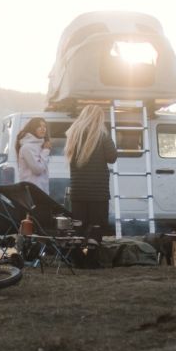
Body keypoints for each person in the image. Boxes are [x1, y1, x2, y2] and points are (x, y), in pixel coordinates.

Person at [64, 104, 118, 250]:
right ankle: (92, 257)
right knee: (95, 231)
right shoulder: (102, 135)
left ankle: (77, 257)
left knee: (78, 230)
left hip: (78, 191)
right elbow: (112, 157)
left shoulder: (73, 134)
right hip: (98, 192)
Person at [15, 117, 53, 194]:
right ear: (32, 128)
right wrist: (46, 150)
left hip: (40, 191)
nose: (43, 129)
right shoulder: (27, 147)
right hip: (31, 192)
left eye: (44, 126)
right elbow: (37, 169)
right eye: (39, 126)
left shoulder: (40, 145)